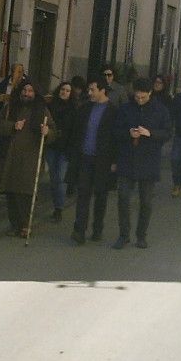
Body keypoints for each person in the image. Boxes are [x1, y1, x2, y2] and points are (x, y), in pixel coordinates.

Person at [112, 77, 172, 249]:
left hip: (148, 160)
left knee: (146, 201)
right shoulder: (125, 109)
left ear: (150, 94)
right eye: (137, 97)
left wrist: (149, 133)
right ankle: (123, 235)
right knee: (123, 197)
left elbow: (168, 133)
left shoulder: (160, 110)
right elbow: (116, 131)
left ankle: (141, 235)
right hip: (127, 158)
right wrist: (128, 133)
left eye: (143, 97)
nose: (140, 100)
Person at [0, 80, 52, 237]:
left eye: (30, 91)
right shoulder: (10, 108)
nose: (27, 94)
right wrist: (12, 126)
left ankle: (25, 224)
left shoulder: (42, 110)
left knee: (25, 193)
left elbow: (54, 132)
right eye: (24, 90)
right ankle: (15, 225)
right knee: (11, 192)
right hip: (11, 156)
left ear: (35, 93)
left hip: (30, 157)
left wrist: (47, 132)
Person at [70, 78, 119, 245]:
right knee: (83, 193)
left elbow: (116, 138)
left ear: (102, 90)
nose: (89, 93)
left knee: (100, 195)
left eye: (92, 89)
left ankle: (97, 228)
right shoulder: (85, 108)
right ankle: (79, 230)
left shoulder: (113, 111)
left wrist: (114, 160)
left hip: (103, 160)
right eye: (89, 90)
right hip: (85, 157)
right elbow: (77, 131)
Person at [45, 82, 76, 222]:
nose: (64, 92)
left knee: (60, 179)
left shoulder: (74, 109)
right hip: (52, 146)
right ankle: (56, 204)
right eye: (62, 89)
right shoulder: (51, 107)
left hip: (65, 149)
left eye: (68, 91)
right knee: (53, 178)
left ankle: (59, 208)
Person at [0, 63, 26, 190]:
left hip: (18, 125)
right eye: (16, 71)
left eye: (20, 71)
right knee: (1, 156)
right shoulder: (3, 85)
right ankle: (0, 183)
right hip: (4, 123)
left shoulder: (26, 86)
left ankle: (12, 184)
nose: (18, 74)